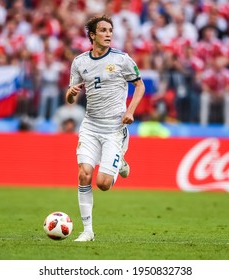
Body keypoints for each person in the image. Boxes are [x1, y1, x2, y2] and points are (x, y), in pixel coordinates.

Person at [66, 14, 145, 242]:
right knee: (84, 175)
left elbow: (139, 86)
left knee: (103, 184)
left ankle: (119, 161)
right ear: (92, 35)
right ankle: (87, 231)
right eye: (103, 30)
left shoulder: (122, 60)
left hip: (114, 128)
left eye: (110, 30)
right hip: (90, 126)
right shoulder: (80, 62)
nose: (108, 34)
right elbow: (70, 96)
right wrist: (70, 95)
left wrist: (130, 111)